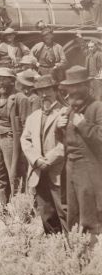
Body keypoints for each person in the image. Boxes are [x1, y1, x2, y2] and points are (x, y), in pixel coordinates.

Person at [57, 66, 102, 235]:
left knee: (90, 214)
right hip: (71, 167)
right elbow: (67, 141)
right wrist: (59, 128)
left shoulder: (97, 107)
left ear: (86, 86)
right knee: (73, 213)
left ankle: (92, 255)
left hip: (90, 169)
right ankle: (75, 253)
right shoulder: (70, 110)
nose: (72, 91)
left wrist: (83, 125)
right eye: (70, 87)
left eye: (77, 86)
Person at [20, 75, 67, 234]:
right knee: (46, 213)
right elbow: (25, 140)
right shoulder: (33, 117)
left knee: (64, 212)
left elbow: (67, 142)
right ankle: (53, 248)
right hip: (39, 170)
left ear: (55, 90)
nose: (44, 94)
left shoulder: (64, 112)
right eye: (41, 91)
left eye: (47, 90)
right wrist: (36, 159)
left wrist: (49, 159)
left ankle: (72, 250)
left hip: (59, 171)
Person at [0, 67, 21, 205]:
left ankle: (19, 205)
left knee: (13, 172)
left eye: (3, 79)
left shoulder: (17, 98)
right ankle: (3, 206)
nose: (0, 83)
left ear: (11, 81)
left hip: (10, 138)